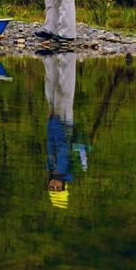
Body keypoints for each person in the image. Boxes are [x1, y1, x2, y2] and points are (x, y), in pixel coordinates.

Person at [43, 52, 76, 209]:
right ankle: (65, 55)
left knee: (54, 85)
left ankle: (55, 55)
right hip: (62, 122)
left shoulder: (53, 169)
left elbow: (51, 142)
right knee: (63, 87)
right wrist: (55, 120)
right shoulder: (62, 168)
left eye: (52, 188)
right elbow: (62, 143)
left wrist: (50, 122)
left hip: (56, 122)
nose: (54, 185)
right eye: (58, 188)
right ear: (64, 186)